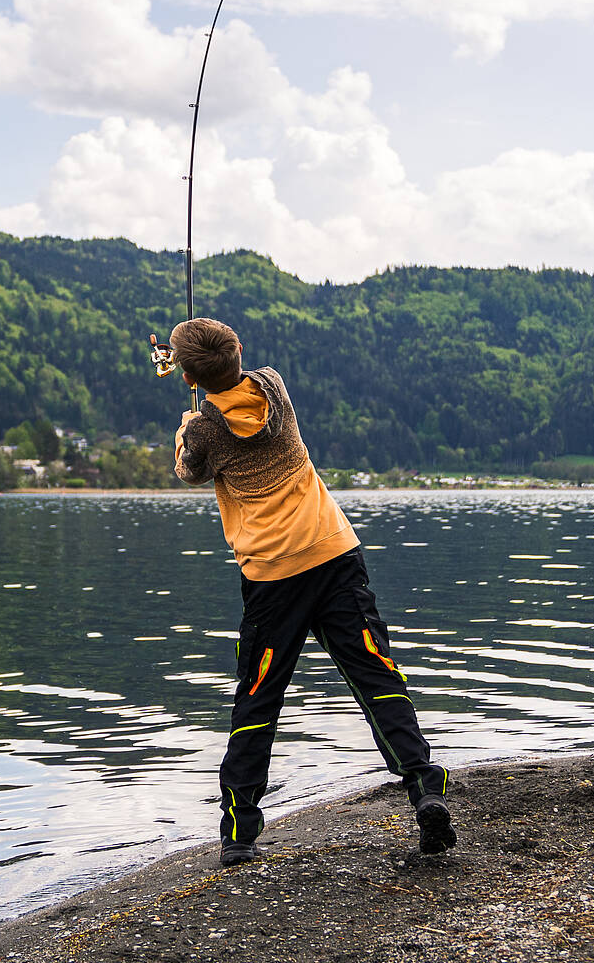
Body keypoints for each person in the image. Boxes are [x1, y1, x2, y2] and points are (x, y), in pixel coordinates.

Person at [170, 317, 456, 866]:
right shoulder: (274, 386)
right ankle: (423, 785)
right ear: (240, 351)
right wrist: (201, 383)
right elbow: (235, 382)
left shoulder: (203, 429)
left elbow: (189, 471)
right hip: (334, 554)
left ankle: (239, 833)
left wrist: (189, 416)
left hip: (272, 577)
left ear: (186, 374)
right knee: (375, 675)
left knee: (259, 695)